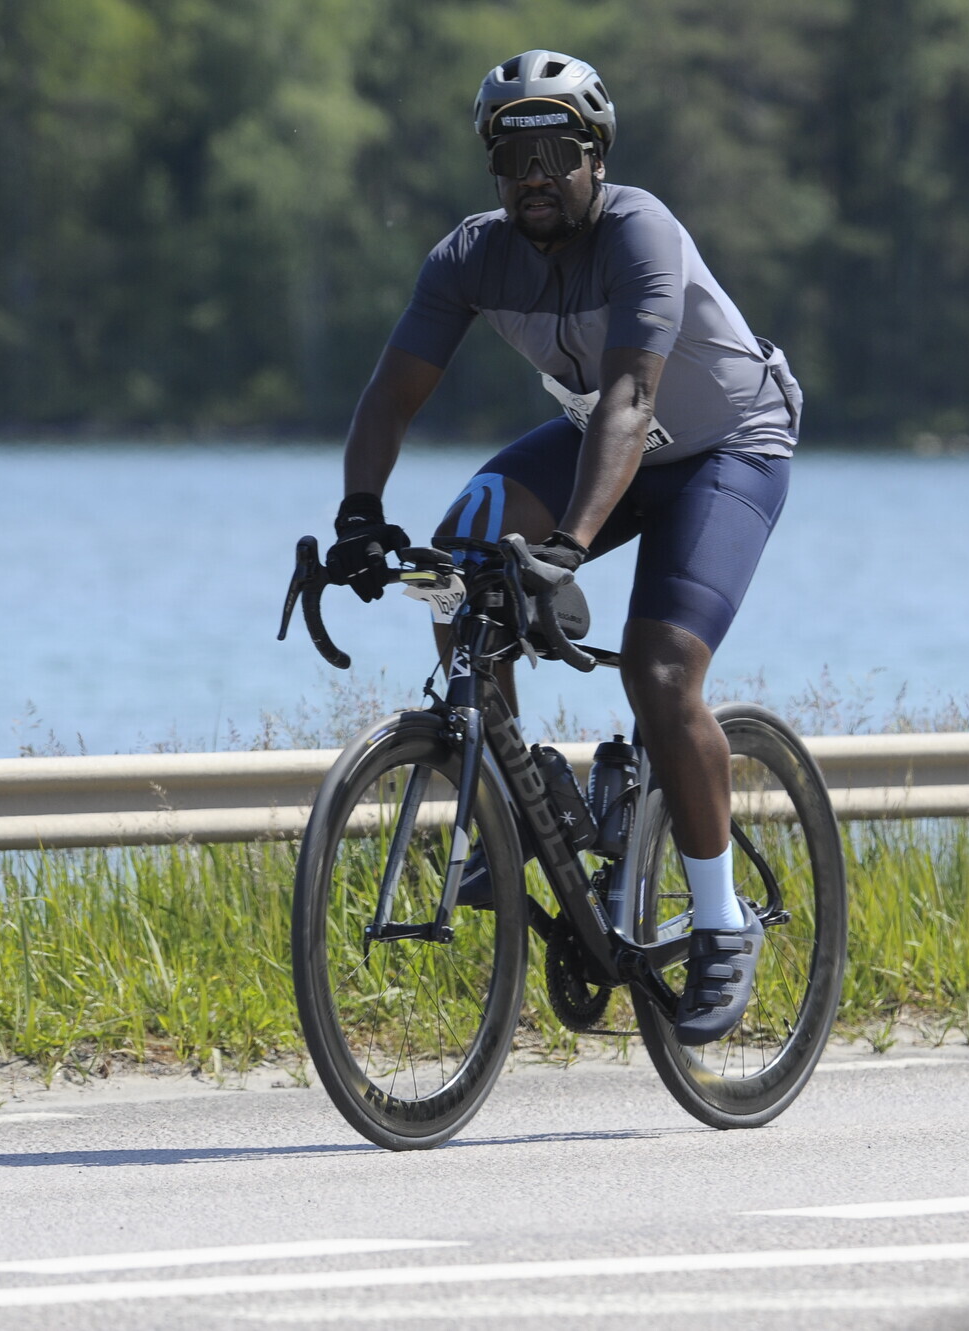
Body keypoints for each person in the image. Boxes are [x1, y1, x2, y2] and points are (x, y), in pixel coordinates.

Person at [325, 49, 802, 1046]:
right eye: (513, 157)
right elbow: (389, 395)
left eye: (556, 152)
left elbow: (631, 396)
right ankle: (515, 808)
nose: (534, 175)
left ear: (597, 156)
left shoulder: (639, 230)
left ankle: (720, 921)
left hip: (724, 446)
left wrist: (569, 547)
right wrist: (359, 516)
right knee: (457, 566)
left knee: (658, 669)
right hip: (608, 439)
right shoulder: (470, 256)